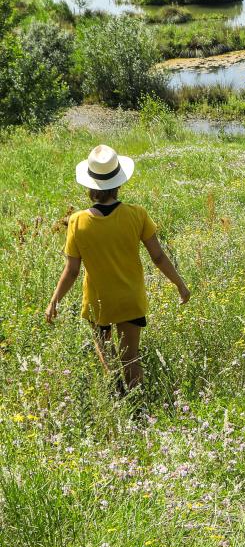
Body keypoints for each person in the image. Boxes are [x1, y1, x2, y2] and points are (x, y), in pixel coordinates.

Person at [45, 144, 190, 392]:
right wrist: (180, 285)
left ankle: (118, 400)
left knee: (109, 360)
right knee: (130, 358)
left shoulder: (77, 221)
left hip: (98, 301)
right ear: (118, 182)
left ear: (90, 185)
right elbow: (158, 257)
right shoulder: (137, 215)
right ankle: (139, 411)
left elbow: (71, 271)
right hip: (129, 298)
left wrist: (54, 301)